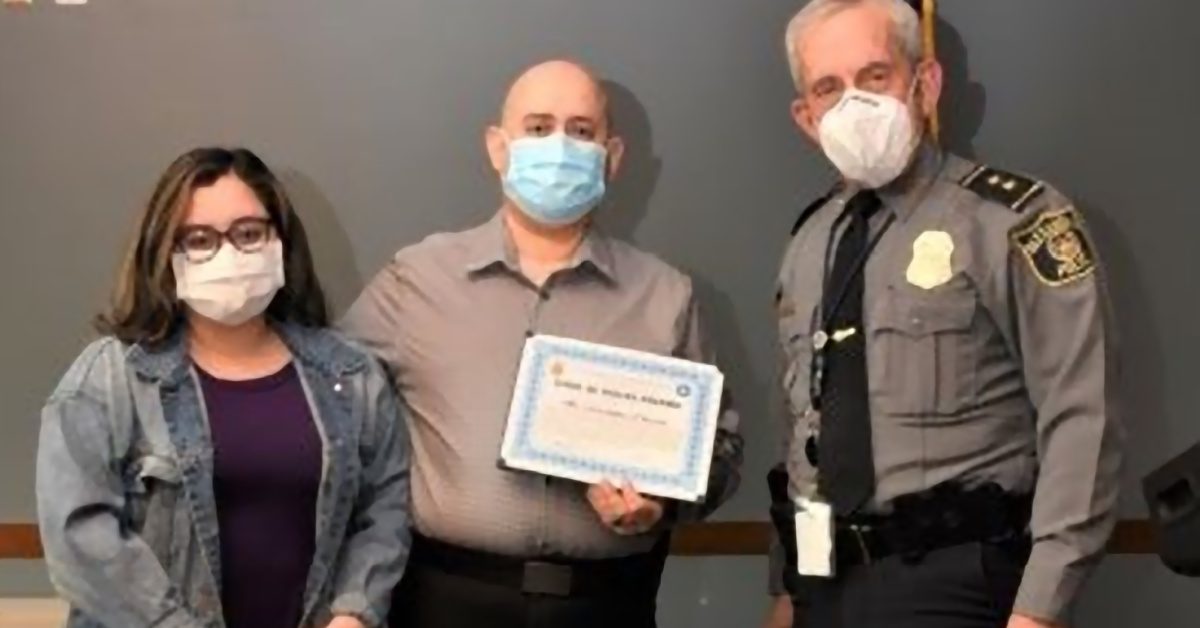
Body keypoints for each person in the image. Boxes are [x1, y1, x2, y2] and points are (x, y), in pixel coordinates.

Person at [341, 59, 743, 628]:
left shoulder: (666, 295)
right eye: (537, 127)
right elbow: (323, 405)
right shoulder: (416, 279)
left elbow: (721, 450)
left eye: (581, 131)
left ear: (613, 154)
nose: (559, 146)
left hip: (607, 606)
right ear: (497, 147)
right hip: (443, 600)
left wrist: (664, 503)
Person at [763, 1, 1123, 627]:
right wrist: (788, 591)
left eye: (875, 76)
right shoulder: (809, 242)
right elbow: (804, 433)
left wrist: (1041, 607)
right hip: (825, 587)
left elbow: (1082, 416)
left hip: (960, 581)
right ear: (805, 117)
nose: (854, 104)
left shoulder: (1014, 220)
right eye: (829, 88)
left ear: (924, 83)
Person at [36, 147, 412, 628]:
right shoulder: (109, 379)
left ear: (281, 240)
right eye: (198, 239)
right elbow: (79, 541)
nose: (229, 254)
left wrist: (353, 612)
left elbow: (384, 506)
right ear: (166, 253)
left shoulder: (351, 374)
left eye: (249, 233)